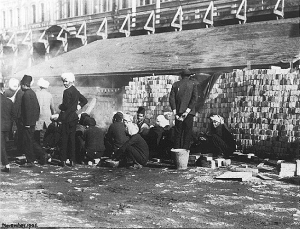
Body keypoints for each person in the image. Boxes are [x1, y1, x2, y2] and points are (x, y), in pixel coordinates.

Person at [58, 72, 88, 167]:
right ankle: (72, 160)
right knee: (72, 139)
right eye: (64, 81)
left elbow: (65, 106)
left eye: (66, 81)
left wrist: (60, 106)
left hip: (66, 118)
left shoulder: (66, 92)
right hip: (74, 118)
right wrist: (78, 106)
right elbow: (85, 100)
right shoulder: (75, 90)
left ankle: (63, 160)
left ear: (70, 81)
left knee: (64, 139)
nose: (64, 83)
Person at [20, 75, 47, 167]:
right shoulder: (32, 93)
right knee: (31, 140)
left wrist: (27, 123)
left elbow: (27, 110)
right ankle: (42, 154)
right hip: (32, 122)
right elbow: (37, 108)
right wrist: (34, 120)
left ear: (24, 84)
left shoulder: (26, 95)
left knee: (27, 141)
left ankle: (30, 160)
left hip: (27, 123)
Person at [169, 69, 198, 150]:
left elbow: (171, 99)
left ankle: (177, 154)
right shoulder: (193, 84)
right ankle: (185, 154)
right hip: (189, 114)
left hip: (178, 113)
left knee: (178, 134)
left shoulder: (175, 84)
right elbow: (194, 98)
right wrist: (187, 111)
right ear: (189, 76)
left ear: (181, 76)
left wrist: (175, 112)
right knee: (187, 134)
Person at [34, 78, 55, 146]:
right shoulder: (49, 95)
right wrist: (53, 114)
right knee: (47, 131)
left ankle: (38, 146)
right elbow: (52, 107)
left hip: (38, 114)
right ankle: (46, 145)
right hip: (47, 115)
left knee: (37, 132)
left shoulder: (36, 94)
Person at [1, 82, 16, 172]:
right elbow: (13, 115)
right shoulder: (9, 101)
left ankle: (7, 164)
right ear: (3, 89)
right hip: (6, 127)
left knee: (1, 145)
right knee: (2, 144)